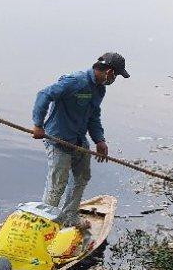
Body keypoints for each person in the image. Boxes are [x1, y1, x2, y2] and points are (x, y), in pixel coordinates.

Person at [32, 52, 129, 229]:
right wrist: (38, 124)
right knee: (57, 184)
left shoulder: (99, 89)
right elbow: (44, 94)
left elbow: (93, 116)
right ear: (108, 71)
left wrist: (99, 140)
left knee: (82, 176)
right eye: (116, 75)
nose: (115, 79)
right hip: (58, 140)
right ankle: (44, 224)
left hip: (78, 140)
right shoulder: (75, 81)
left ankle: (69, 215)